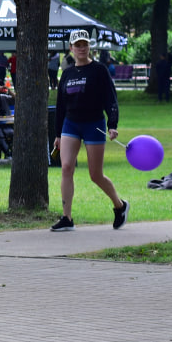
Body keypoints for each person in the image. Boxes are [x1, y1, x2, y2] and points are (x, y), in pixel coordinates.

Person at [52, 29, 128, 232]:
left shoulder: (99, 70)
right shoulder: (67, 73)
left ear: (89, 47)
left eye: (84, 44)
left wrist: (112, 124)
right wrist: (58, 134)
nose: (81, 48)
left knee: (95, 174)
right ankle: (67, 218)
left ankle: (120, 205)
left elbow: (110, 99)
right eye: (77, 45)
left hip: (94, 124)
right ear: (71, 48)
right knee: (66, 167)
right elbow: (61, 105)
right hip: (71, 124)